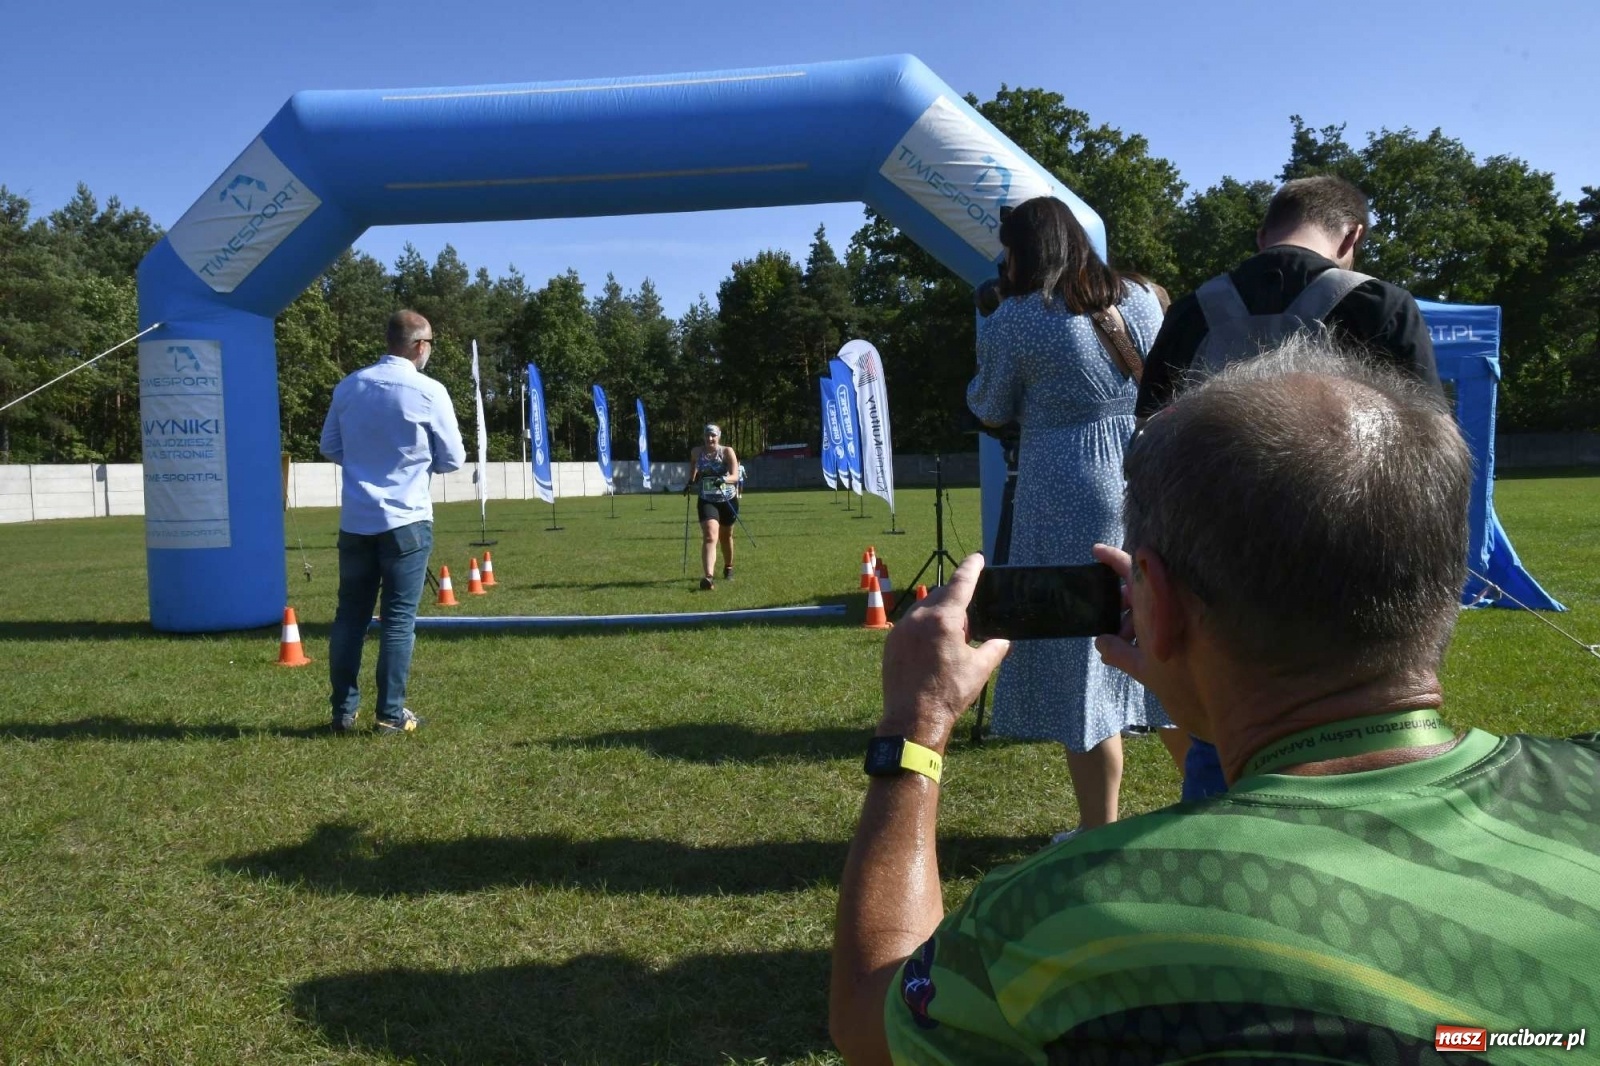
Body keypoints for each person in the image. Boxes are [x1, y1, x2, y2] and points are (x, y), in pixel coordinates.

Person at [830, 339, 1600, 1064]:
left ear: (1156, 603)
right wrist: (1192, 676)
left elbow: (872, 1019)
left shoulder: (1065, 916)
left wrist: (915, 725)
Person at [1139, 174, 1443, 801]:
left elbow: (1147, 443)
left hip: (1215, 569)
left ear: (1262, 234)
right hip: (1358, 565)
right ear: (1352, 236)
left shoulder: (1194, 310)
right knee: (1366, 724)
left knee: (1222, 729)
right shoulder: (1380, 305)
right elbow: (1431, 457)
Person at [965, 195, 1174, 833]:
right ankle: (1208, 800)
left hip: (1067, 483)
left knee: (1086, 656)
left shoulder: (1020, 316)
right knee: (1161, 636)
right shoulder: (1142, 296)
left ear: (1025, 250)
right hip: (1146, 471)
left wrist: (988, 333)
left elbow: (989, 406)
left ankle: (1098, 831)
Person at [319, 310, 464, 734]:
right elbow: (453, 458)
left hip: (357, 519)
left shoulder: (350, 385)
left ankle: (343, 712)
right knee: (398, 621)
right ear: (419, 346)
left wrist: (365, 464)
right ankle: (390, 713)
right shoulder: (429, 391)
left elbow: (329, 445)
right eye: (430, 344)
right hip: (407, 519)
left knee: (350, 618)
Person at [684, 423, 739, 590]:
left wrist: (723, 480)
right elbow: (693, 464)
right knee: (710, 535)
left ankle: (728, 567)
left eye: (713, 435)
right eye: (707, 435)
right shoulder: (696, 452)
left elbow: (735, 476)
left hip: (727, 499)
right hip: (706, 499)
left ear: (718, 436)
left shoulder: (727, 452)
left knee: (726, 536)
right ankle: (708, 577)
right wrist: (691, 481)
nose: (710, 438)